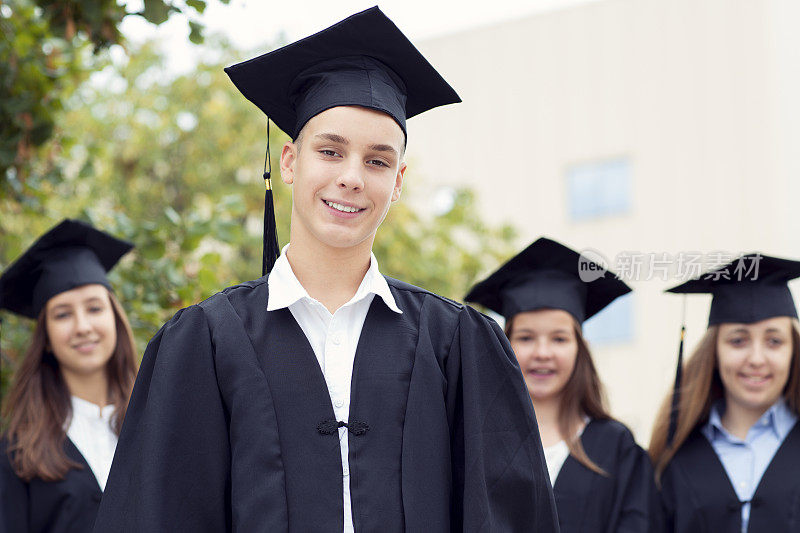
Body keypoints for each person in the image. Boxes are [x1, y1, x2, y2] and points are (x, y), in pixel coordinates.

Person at [94, 7, 559, 532]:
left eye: (378, 161)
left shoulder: (454, 343)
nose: (352, 177)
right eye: (330, 151)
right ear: (291, 162)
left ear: (399, 180)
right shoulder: (204, 343)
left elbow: (507, 516)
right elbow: (158, 514)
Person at [466, 237, 663, 532]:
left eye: (559, 338)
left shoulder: (616, 447)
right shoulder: (475, 441)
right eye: (526, 338)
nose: (542, 353)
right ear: (505, 346)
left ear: (579, 349)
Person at [0, 219, 138, 533]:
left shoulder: (155, 423)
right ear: (46, 336)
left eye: (94, 308)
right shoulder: (19, 454)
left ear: (115, 319)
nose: (82, 327)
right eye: (63, 314)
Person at [651, 254, 800, 533]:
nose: (756, 358)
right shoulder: (672, 459)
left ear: (794, 350)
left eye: (774, 341)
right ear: (714, 352)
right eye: (738, 340)